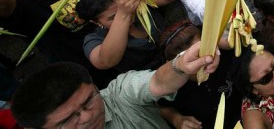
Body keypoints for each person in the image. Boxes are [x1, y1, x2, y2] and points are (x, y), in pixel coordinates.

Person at [10, 40, 220, 128]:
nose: (86, 117)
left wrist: (180, 64)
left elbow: (156, 82)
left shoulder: (119, 95)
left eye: (88, 101)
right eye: (68, 119)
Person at [75, 0, 176, 73]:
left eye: (123, 6)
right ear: (96, 23)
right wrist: (122, 14)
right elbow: (105, 61)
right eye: (113, 17)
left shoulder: (136, 6)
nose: (127, 12)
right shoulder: (94, 39)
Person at [158, 21, 243, 129]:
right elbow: (162, 107)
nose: (204, 61)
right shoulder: (171, 84)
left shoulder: (226, 54)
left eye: (203, 51)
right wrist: (177, 119)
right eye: (194, 59)